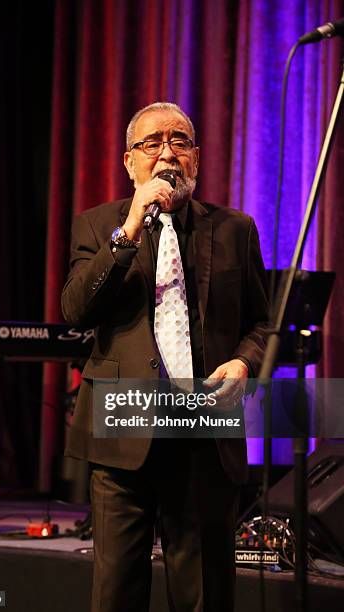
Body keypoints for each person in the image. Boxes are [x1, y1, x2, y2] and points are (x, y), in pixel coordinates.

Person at [61, 102, 269, 612]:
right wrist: (129, 227)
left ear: (196, 158)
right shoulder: (97, 226)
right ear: (130, 162)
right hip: (123, 432)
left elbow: (263, 323)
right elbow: (75, 309)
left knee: (204, 595)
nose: (166, 155)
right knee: (116, 594)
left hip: (204, 432)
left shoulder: (235, 229)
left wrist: (244, 362)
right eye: (152, 144)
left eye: (179, 142)